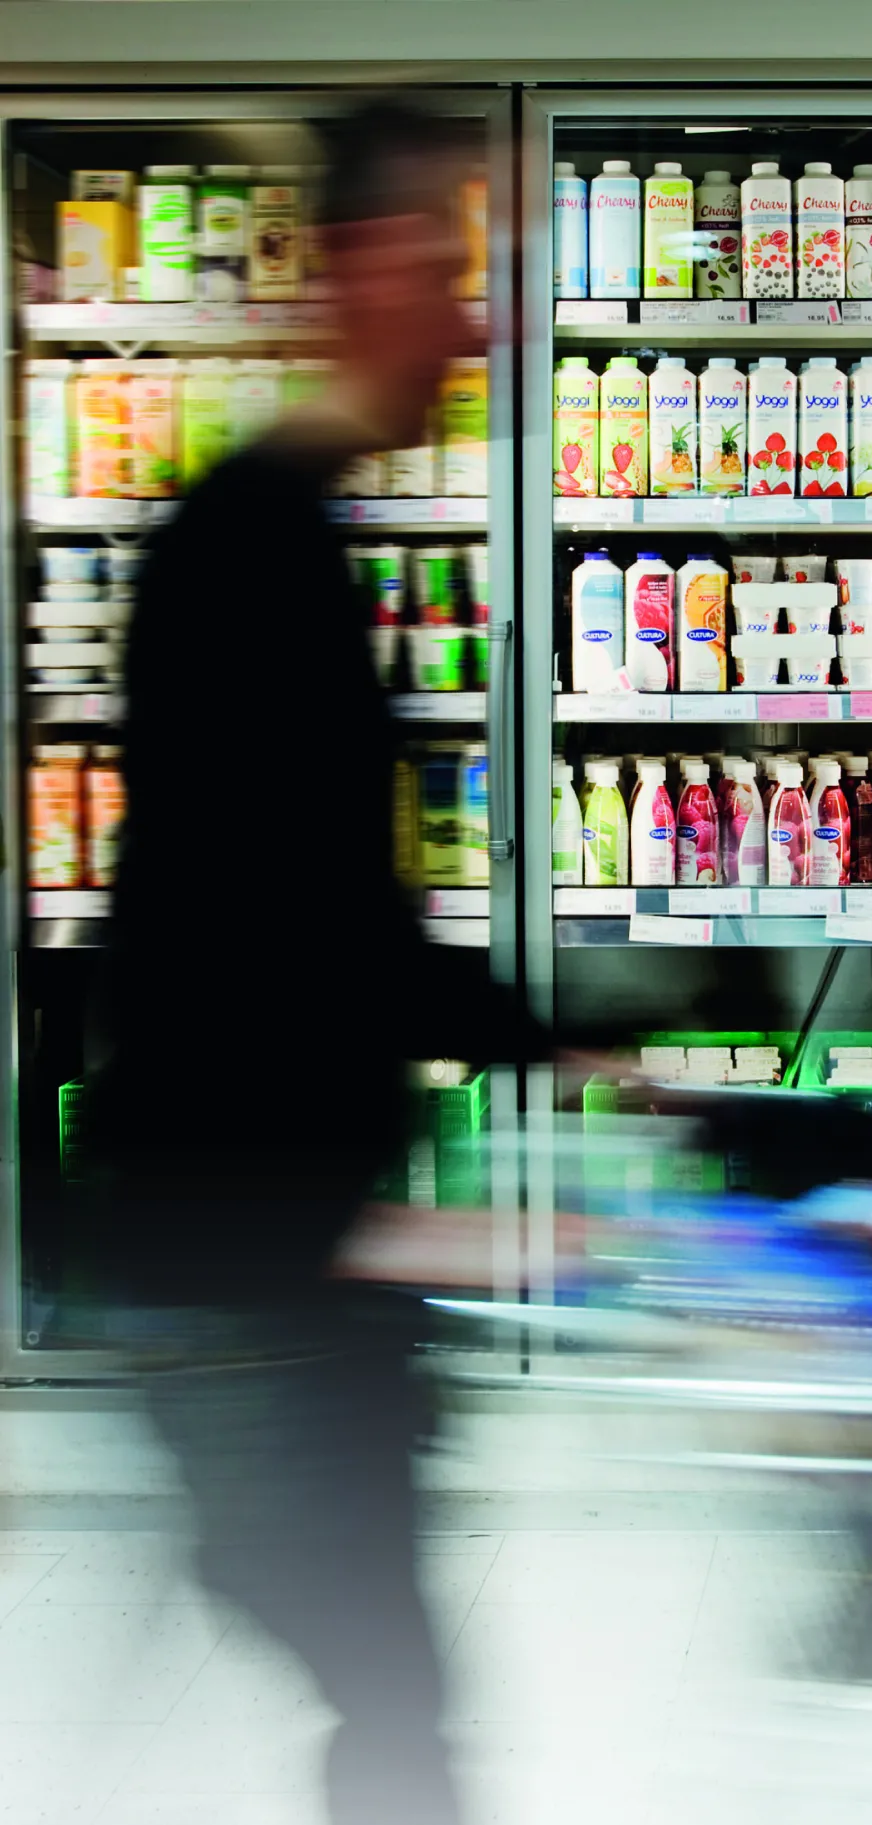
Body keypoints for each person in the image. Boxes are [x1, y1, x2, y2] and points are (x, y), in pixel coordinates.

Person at [96, 98, 535, 1825]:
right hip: (243, 1264)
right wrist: (363, 1208)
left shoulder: (287, 532)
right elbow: (249, 921)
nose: (477, 316)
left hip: (274, 1256)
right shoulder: (242, 545)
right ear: (355, 270)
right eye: (451, 264)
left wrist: (551, 1049)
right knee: (399, 1698)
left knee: (392, 1690)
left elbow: (319, 902)